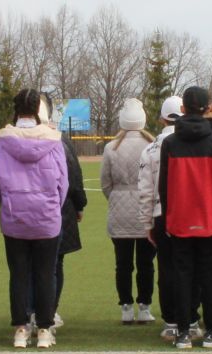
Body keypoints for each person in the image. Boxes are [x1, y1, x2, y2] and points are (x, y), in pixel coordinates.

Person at [0, 87, 69, 348]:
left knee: (19, 274)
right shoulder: (52, 139)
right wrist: (52, 208)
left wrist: (10, 205)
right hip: (46, 216)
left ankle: (21, 329)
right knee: (45, 273)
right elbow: (63, 181)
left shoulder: (3, 139)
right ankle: (45, 329)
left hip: (15, 215)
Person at [155, 85, 212, 349]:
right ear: (209, 107)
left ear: (183, 109)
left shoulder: (171, 143)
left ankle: (184, 331)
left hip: (180, 219)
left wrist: (167, 217)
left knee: (182, 276)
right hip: (211, 219)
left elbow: (163, 186)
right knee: (210, 276)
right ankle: (211, 330)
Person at [100, 98, 156, 325]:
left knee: (122, 263)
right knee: (146, 263)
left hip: (119, 211)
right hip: (146, 209)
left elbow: (105, 183)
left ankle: (126, 306)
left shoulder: (111, 147)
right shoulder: (152, 145)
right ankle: (144, 306)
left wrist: (116, 198)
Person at [135, 94, 182, 340]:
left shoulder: (151, 148)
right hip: (189, 213)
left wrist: (147, 223)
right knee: (190, 267)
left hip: (160, 214)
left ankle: (172, 320)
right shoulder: (192, 142)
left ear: (162, 119)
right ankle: (192, 319)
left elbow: (144, 190)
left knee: (166, 268)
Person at [46, 95, 90, 327]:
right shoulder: (60, 140)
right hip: (57, 211)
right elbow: (73, 176)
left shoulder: (11, 139)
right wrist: (79, 205)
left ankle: (30, 314)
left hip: (22, 214)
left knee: (27, 265)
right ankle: (49, 312)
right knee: (54, 263)